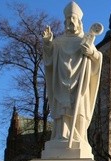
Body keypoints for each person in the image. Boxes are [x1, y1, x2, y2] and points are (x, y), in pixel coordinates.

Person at [43, 1, 102, 153]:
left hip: (80, 84)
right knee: (62, 113)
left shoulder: (86, 40)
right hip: (61, 83)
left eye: (73, 18)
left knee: (79, 111)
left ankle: (79, 138)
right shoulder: (58, 42)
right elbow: (49, 61)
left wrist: (91, 53)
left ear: (79, 22)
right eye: (68, 19)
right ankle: (60, 137)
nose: (70, 21)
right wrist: (47, 44)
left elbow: (98, 58)